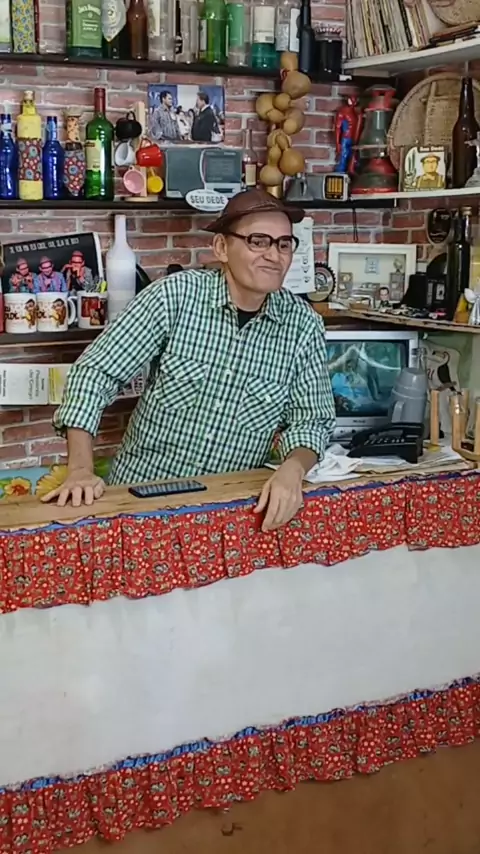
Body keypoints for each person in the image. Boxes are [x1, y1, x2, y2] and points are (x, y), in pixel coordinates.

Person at [44, 188, 335, 533]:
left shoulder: (303, 325)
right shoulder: (175, 296)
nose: (274, 255)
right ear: (221, 247)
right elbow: (95, 374)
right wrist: (80, 470)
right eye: (258, 241)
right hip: (140, 502)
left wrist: (293, 469)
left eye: (284, 244)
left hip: (233, 511)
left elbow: (311, 419)